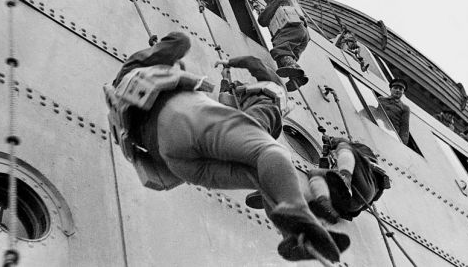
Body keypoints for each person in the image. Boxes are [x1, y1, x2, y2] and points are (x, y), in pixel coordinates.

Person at [105, 32, 346, 262]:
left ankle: (299, 236)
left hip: (172, 159)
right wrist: (164, 49)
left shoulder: (120, 104)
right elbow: (180, 41)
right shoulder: (135, 63)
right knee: (269, 150)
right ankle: (297, 210)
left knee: (259, 175)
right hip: (182, 117)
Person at [307, 136, 390, 224]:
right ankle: (326, 206)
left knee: (343, 146)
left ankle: (346, 178)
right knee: (314, 173)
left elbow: (343, 144)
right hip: (353, 205)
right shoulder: (346, 161)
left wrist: (335, 141)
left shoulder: (357, 152)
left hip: (360, 187)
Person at [256, 0, 310, 91]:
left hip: (290, 29)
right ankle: (297, 78)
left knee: (280, 49)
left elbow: (262, 20)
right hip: (302, 34)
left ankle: (295, 70)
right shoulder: (284, 2)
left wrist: (262, 12)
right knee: (288, 58)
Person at [378, 78, 410, 144]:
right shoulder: (381, 99)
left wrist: (402, 144)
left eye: (400, 89)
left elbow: (404, 128)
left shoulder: (405, 108)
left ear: (403, 92)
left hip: (391, 136)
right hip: (377, 127)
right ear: (391, 89)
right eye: (395, 88)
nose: (398, 90)